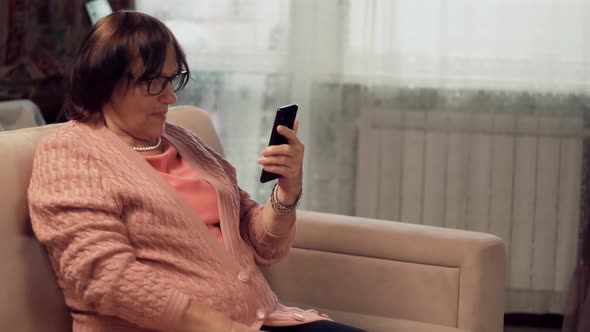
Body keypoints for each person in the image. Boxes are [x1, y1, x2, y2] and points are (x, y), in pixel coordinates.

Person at [28, 10, 366, 332]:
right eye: (155, 83)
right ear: (105, 81)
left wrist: (287, 192)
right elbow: (103, 276)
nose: (171, 98)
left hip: (263, 318)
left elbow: (264, 245)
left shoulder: (184, 140)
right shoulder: (70, 153)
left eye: (173, 79)